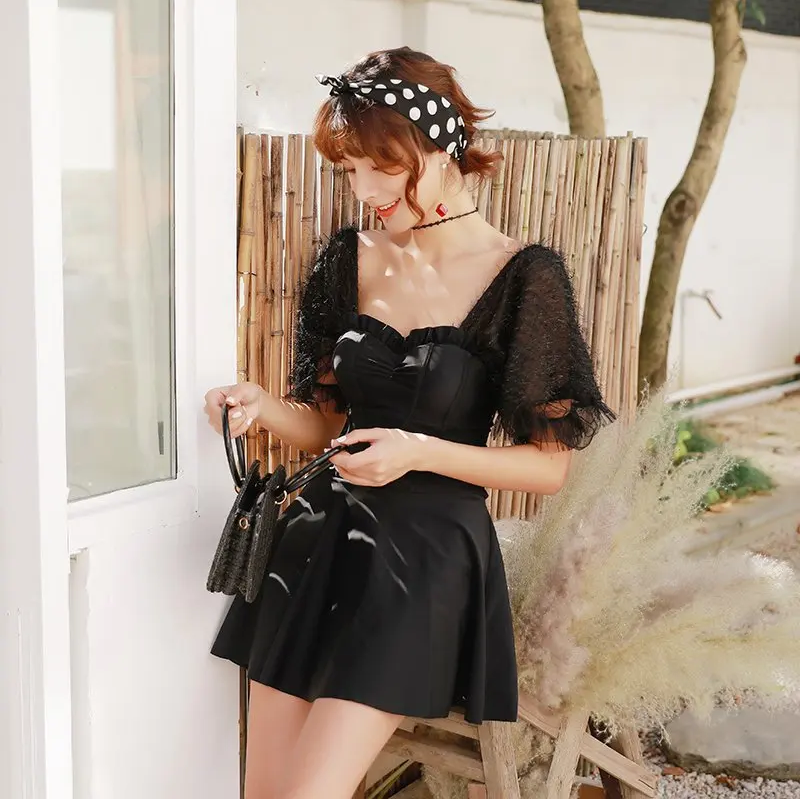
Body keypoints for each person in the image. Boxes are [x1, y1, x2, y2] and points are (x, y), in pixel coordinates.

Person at [203, 46, 614, 799]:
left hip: (423, 563)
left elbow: (549, 467)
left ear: (438, 147)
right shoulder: (348, 258)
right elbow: (328, 428)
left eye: (380, 168)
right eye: (349, 169)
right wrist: (262, 406)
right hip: (317, 540)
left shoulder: (525, 277)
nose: (363, 190)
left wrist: (419, 451)